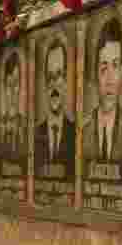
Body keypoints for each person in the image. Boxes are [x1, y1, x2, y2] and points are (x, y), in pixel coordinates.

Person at [82, 18, 122, 163]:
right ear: (96, 72)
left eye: (115, 66)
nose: (110, 80)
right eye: (104, 68)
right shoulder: (82, 130)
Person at [35, 38, 76, 174]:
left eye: (59, 75)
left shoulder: (76, 133)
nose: (53, 84)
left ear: (66, 81)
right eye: (49, 77)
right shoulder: (35, 133)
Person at [0, 52, 23, 163]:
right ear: (4, 87)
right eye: (10, 85)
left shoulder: (23, 123)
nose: (14, 91)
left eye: (16, 83)